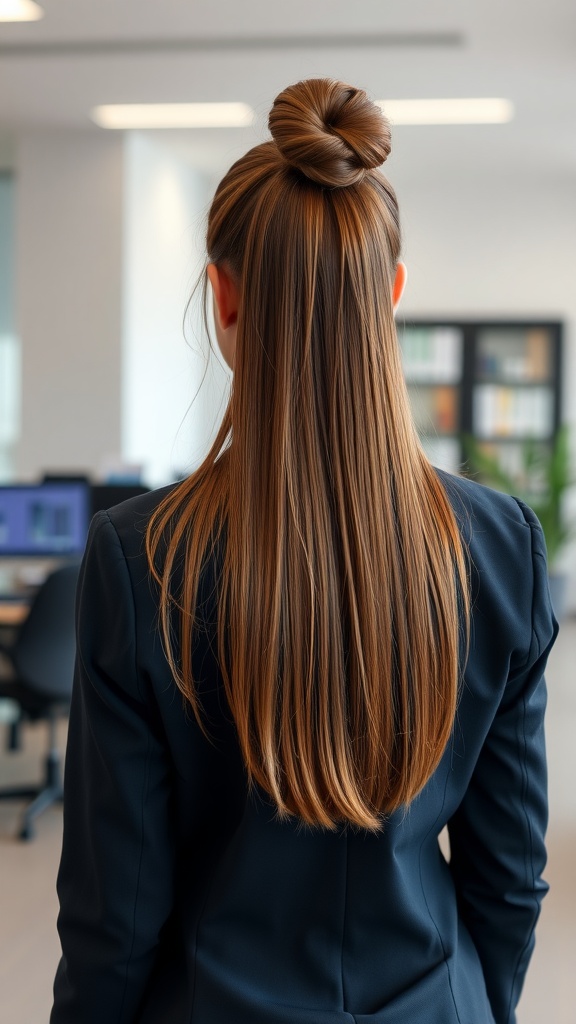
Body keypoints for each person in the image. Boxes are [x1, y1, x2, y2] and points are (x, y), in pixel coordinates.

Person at [51, 78, 558, 1024]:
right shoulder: (503, 548)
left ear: (224, 296)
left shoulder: (138, 559)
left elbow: (112, 918)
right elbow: (510, 879)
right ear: (392, 295)